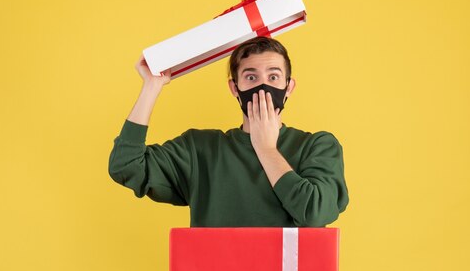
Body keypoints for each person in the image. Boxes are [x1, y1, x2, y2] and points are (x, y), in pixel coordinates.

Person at [108, 37, 348, 227]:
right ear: (235, 88)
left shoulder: (317, 146)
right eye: (251, 76)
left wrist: (266, 149)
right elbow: (126, 165)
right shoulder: (199, 149)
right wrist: (152, 86)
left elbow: (315, 213)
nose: (262, 86)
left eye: (273, 76)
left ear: (289, 87)